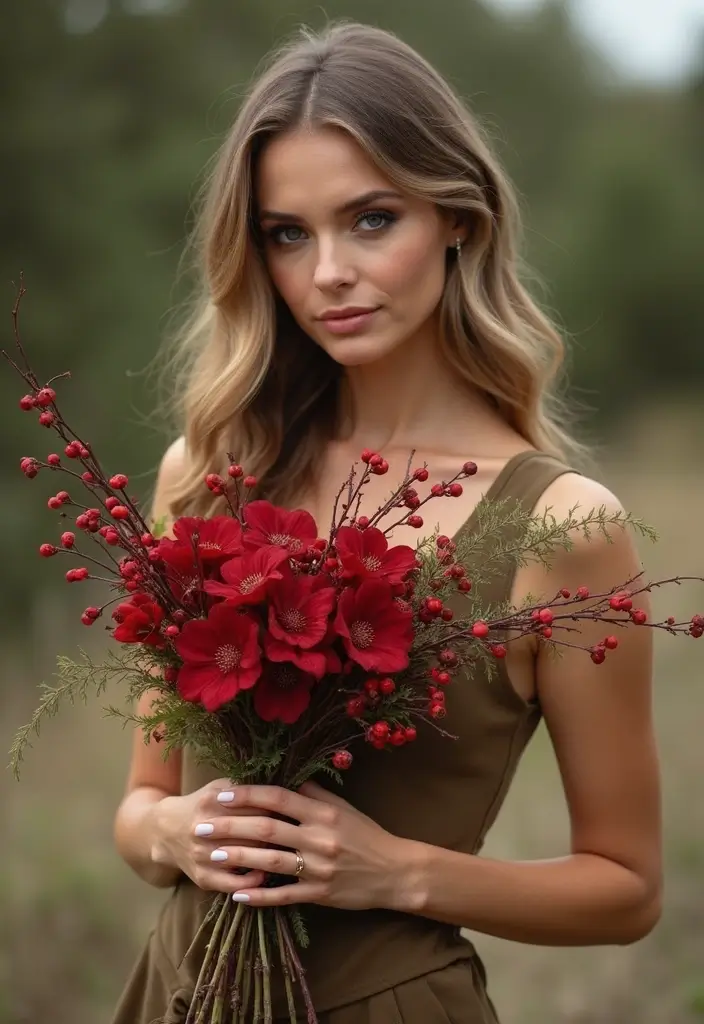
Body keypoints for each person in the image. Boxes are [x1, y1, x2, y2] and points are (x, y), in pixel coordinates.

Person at [110, 21, 662, 1024]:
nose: (326, 272)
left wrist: (396, 872)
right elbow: (138, 806)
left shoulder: (561, 525)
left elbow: (624, 887)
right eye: (287, 233)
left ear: (457, 217)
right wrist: (174, 833)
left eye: (370, 220)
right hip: (179, 995)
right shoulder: (207, 475)